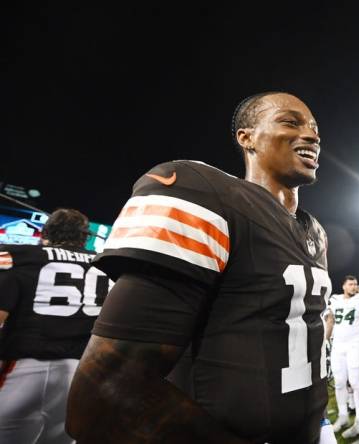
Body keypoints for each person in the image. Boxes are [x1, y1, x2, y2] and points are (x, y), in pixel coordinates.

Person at [66, 92, 334, 444]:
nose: (312, 135)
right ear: (246, 136)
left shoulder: (314, 232)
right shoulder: (207, 195)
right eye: (290, 121)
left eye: (314, 127)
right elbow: (106, 393)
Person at [0, 208, 112, 444]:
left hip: (22, 366)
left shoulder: (22, 257)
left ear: (45, 231)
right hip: (80, 376)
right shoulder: (105, 266)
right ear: (85, 237)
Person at [323, 275, 359, 438]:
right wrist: (325, 341)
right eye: (351, 284)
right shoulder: (335, 300)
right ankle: (343, 416)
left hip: (353, 345)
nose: (354, 287)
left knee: (355, 382)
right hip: (338, 345)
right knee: (338, 383)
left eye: (356, 284)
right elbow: (330, 321)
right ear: (343, 286)